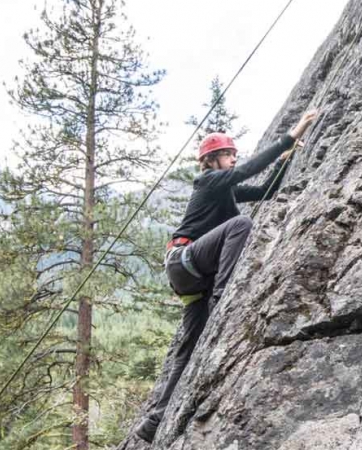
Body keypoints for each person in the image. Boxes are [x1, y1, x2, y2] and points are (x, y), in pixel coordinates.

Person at [135, 110, 318, 443]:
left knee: (187, 350)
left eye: (234, 154)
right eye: (228, 155)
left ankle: (153, 420)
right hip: (184, 260)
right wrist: (292, 135)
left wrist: (284, 161)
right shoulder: (207, 181)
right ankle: (223, 297)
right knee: (241, 225)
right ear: (212, 160)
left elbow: (265, 190)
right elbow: (249, 171)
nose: (234, 159)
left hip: (192, 278)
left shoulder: (225, 191)